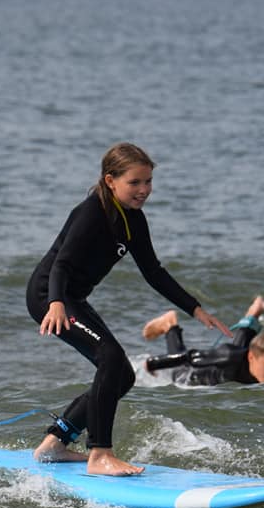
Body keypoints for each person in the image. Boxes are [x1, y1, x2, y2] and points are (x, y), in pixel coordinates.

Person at [26, 142, 231, 476]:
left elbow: (153, 272)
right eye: (135, 182)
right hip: (50, 296)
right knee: (109, 358)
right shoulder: (92, 213)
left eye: (148, 181)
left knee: (122, 374)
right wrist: (56, 303)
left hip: (72, 298)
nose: (144, 190)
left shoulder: (133, 220)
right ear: (111, 181)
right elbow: (61, 262)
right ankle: (100, 455)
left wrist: (194, 309)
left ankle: (56, 444)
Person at [142, 296, 264, 385]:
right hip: (191, 375)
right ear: (251, 357)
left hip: (239, 362)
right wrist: (154, 363)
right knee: (178, 370)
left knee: (240, 351)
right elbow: (190, 357)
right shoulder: (227, 355)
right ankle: (170, 324)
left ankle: (253, 314)